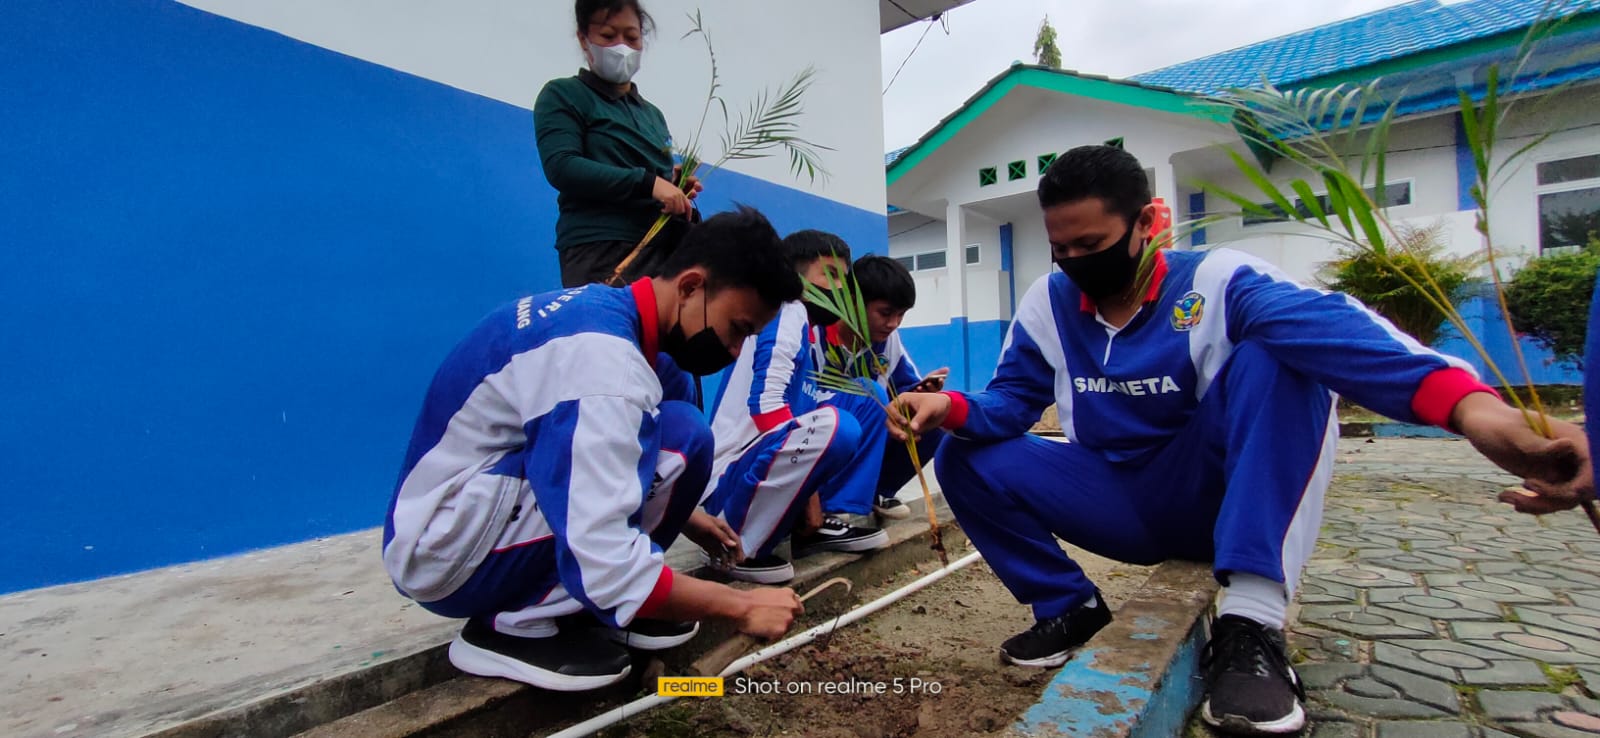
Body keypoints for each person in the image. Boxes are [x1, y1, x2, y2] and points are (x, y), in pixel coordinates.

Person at [887, 145, 1591, 735]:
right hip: (1119, 498)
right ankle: (1068, 607)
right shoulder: (1048, 303)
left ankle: (1252, 626)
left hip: (1222, 496)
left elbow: (1336, 330)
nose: (1075, 261)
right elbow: (1011, 402)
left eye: (1092, 246)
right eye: (1060, 248)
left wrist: (1478, 414)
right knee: (966, 453)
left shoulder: (1216, 282)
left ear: (1146, 224)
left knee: (1281, 359)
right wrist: (945, 405)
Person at [382, 207, 804, 692]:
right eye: (738, 329)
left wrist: (688, 518)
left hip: (480, 515)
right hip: (443, 555)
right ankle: (512, 625)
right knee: (647, 478)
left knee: (685, 434)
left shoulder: (617, 320)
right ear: (690, 287)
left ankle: (590, 607)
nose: (734, 351)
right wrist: (742, 605)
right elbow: (602, 551)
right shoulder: (603, 362)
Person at [702, 230, 890, 584]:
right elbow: (766, 406)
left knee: (868, 397)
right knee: (839, 426)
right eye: (830, 275)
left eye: (845, 279)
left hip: (759, 468)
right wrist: (810, 497)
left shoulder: (807, 329)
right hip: (728, 483)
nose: (841, 289)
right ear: (794, 277)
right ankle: (732, 543)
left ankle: (822, 525)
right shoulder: (786, 310)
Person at [535, 0, 703, 288]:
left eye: (631, 37)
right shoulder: (564, 94)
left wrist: (672, 184)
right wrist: (648, 183)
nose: (621, 46)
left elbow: (650, 183)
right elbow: (562, 166)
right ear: (583, 39)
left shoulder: (652, 115)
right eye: (608, 36)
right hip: (602, 251)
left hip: (663, 254)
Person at [812, 254, 949, 521]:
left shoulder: (887, 341)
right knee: (869, 391)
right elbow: (802, 402)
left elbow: (904, 386)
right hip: (822, 435)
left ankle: (878, 491)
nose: (893, 323)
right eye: (885, 313)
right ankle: (835, 503)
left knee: (934, 415)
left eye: (901, 315)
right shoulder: (816, 335)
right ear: (853, 302)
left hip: (868, 431)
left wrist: (922, 393)